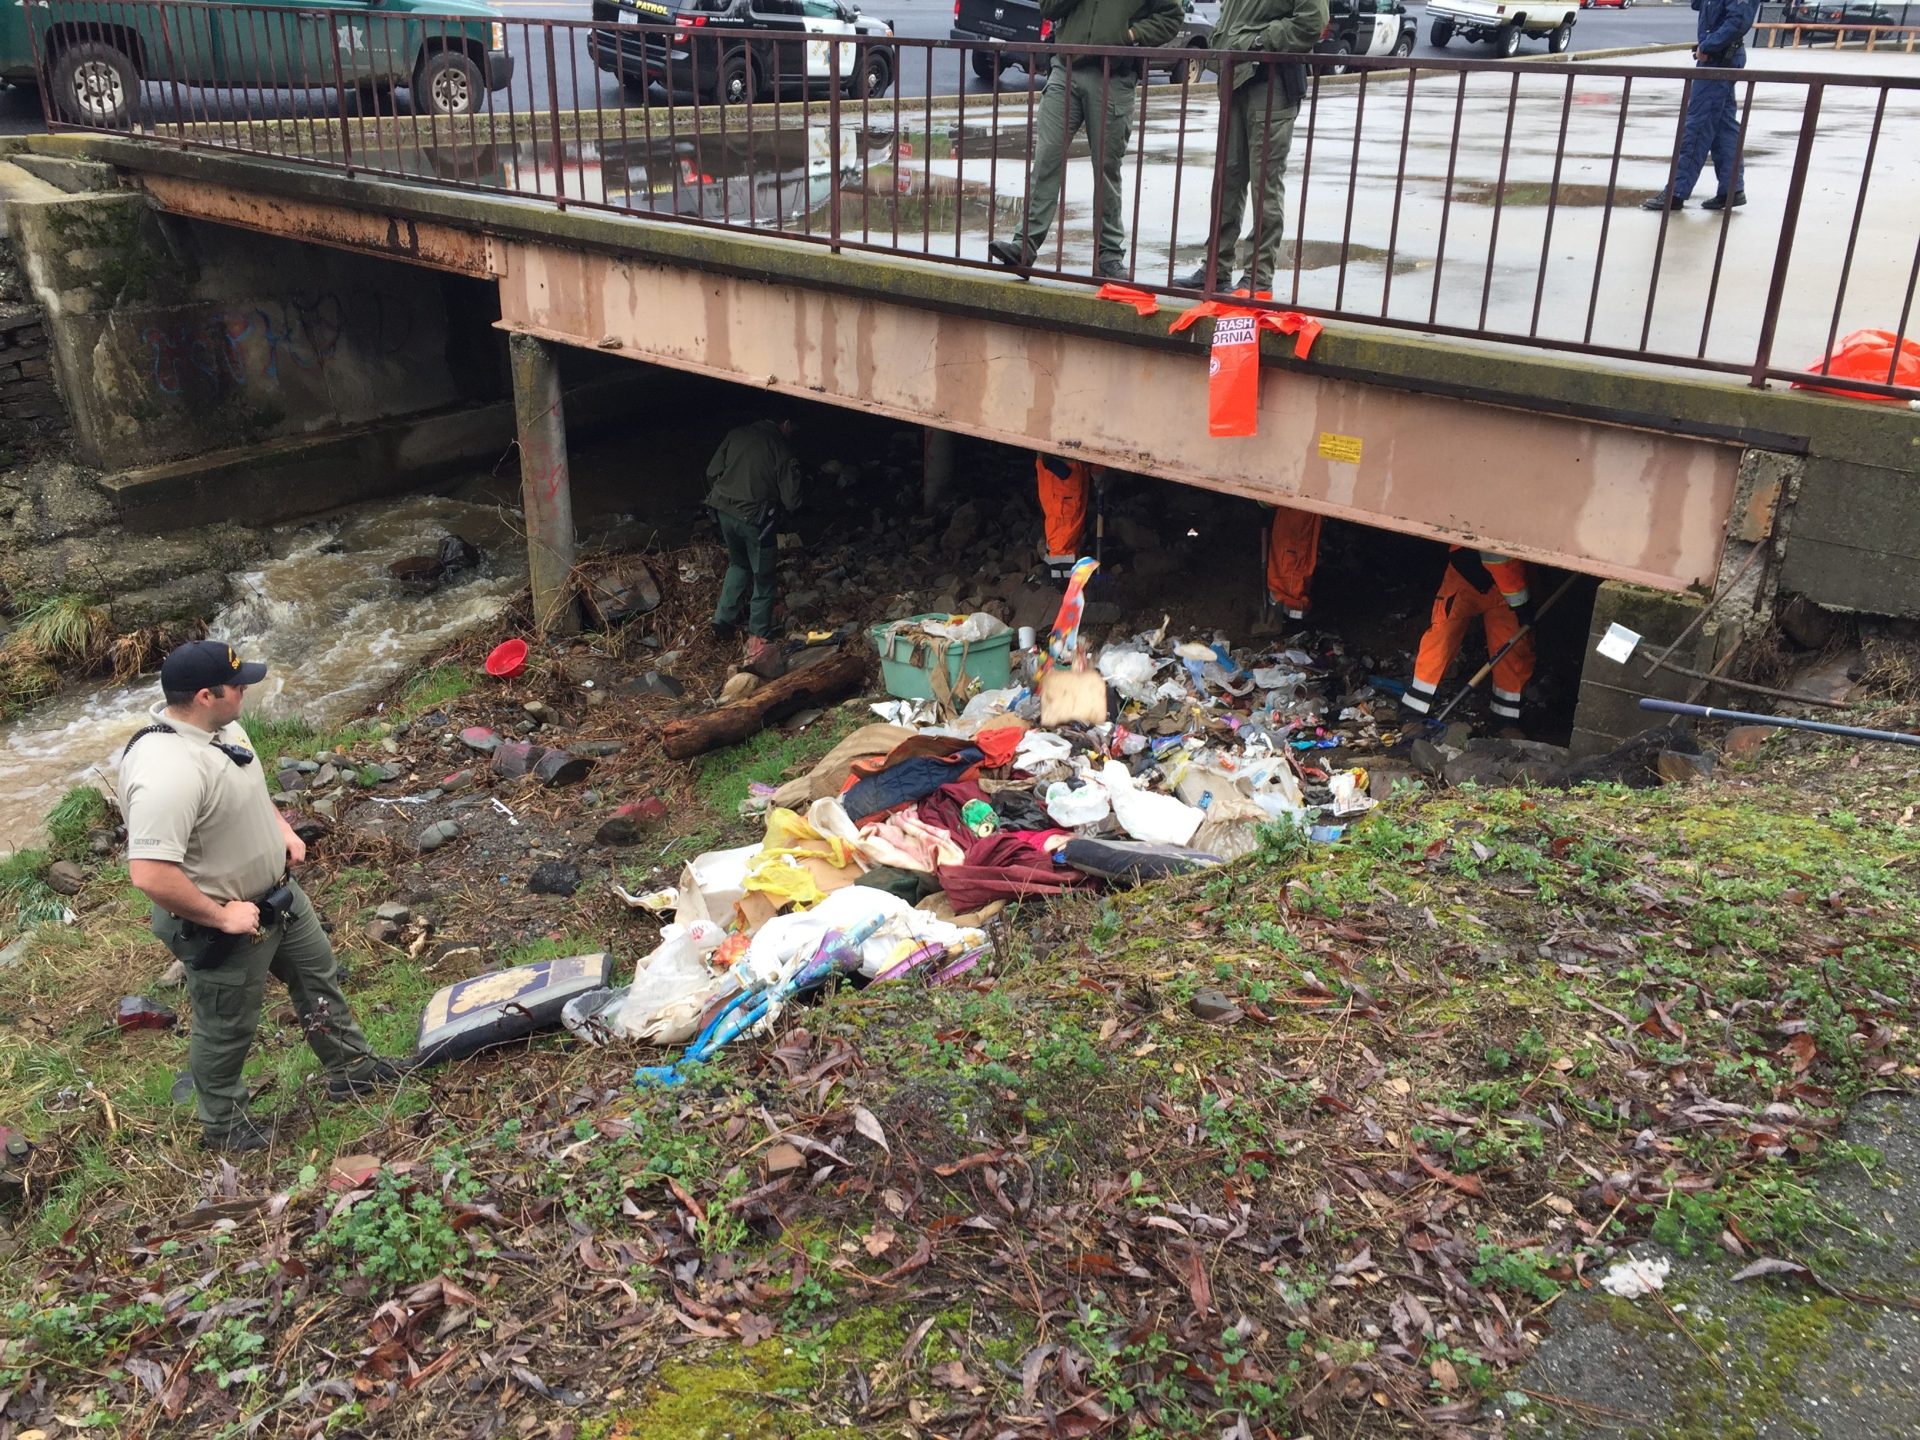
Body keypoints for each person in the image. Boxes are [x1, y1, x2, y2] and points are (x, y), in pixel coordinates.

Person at [118, 641, 408, 1153]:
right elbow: (150, 874)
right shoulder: (166, 772)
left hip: (279, 897)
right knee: (226, 1026)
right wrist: (221, 916)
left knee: (318, 979)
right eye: (238, 685)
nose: (246, 689)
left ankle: (353, 1071)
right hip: (224, 922)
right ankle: (225, 1126)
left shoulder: (222, 727)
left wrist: (280, 827)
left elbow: (246, 784)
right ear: (205, 695)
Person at [986, 0, 1184, 281]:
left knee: (1106, 168)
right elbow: (1049, 8)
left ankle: (1109, 255)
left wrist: (1130, 34)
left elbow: (1171, 16)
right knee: (1046, 158)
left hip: (1113, 76)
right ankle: (1024, 247)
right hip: (1065, 67)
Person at [1180, 0, 1329, 292]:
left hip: (1270, 83)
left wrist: (1258, 41)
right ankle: (1215, 269)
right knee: (1227, 180)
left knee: (1265, 184)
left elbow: (1312, 21)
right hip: (1236, 79)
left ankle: (1258, 277)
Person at [705, 416, 804, 678]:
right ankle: (758, 635)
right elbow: (792, 500)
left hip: (723, 512)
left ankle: (722, 620)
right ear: (786, 424)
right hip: (754, 519)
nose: (793, 433)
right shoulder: (780, 447)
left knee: (738, 564)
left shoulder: (736, 432)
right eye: (794, 428)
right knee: (764, 576)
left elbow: (711, 472)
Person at [1640, 0, 1756, 213]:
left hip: (1720, 59)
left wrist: (1708, 45)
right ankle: (1731, 190)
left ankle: (1677, 192)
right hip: (1717, 58)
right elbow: (1699, 5)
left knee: (1698, 126)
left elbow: (1738, 21)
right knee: (1723, 127)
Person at [1402, 548, 1534, 725]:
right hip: (1466, 573)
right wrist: (1521, 604)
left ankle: (1505, 719)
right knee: (1443, 638)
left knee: (1511, 647)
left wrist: (1520, 602)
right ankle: (1413, 709)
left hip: (1506, 588)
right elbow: (1497, 556)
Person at [1036, 453, 1099, 581]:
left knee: (1065, 530)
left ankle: (1059, 575)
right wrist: (1098, 471)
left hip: (1063, 473)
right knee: (1063, 534)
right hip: (1063, 475)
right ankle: (1062, 580)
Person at [1261, 503, 1322, 625]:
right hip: (1297, 517)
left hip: (1298, 516)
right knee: (1293, 566)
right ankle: (1291, 610)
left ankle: (1291, 611)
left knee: (1293, 565)